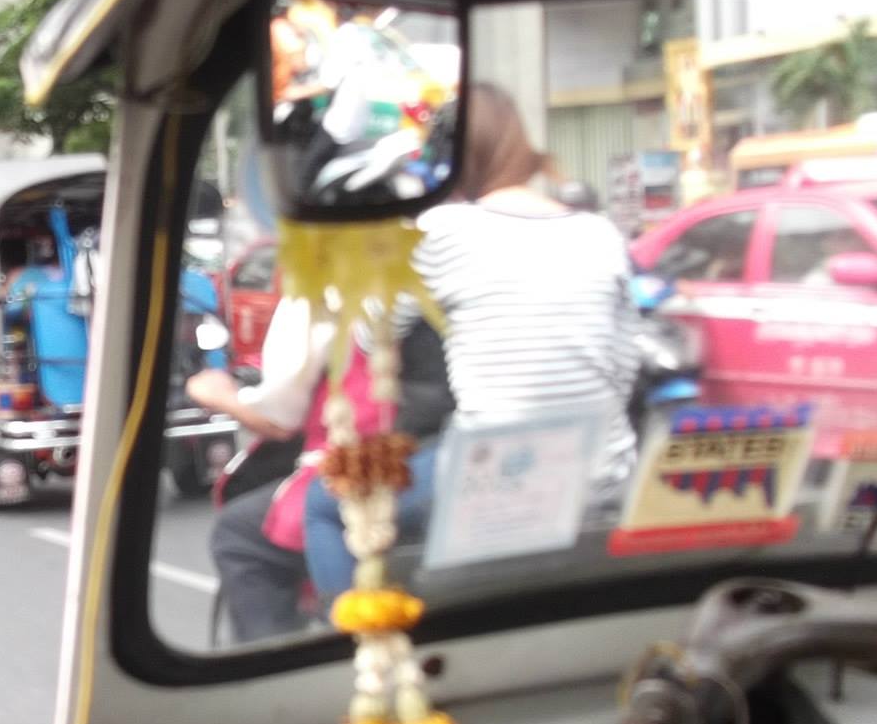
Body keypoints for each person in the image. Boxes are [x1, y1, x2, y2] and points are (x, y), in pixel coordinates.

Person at [300, 82, 641, 601]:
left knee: (323, 507)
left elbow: (370, 334)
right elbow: (623, 368)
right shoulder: (601, 233)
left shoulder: (441, 229)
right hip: (606, 476)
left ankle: (352, 639)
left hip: (495, 483)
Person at [196, 304, 452, 641]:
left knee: (239, 534)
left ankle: (305, 653)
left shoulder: (324, 297)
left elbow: (278, 419)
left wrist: (220, 395)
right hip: (455, 451)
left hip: (379, 464)